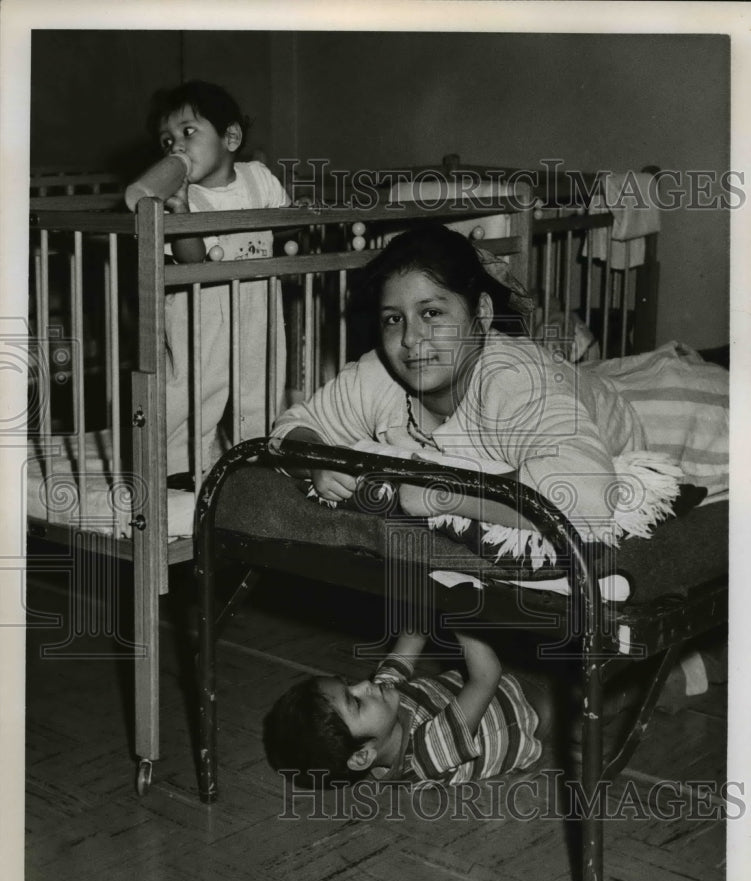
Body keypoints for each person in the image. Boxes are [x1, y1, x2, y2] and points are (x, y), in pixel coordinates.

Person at [270, 221, 728, 544]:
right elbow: (290, 428)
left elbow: (587, 495)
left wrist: (442, 493)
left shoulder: (509, 384)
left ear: (482, 315)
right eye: (394, 319)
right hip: (579, 385)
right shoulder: (380, 373)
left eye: (432, 313)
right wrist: (317, 459)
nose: (410, 339)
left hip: (674, 412)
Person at [145, 80, 290, 477]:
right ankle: (177, 466)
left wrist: (302, 230)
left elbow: (287, 221)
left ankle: (255, 455)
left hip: (257, 302)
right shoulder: (178, 199)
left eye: (188, 132)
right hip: (200, 310)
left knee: (260, 380)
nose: (176, 145)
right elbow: (192, 259)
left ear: (230, 137)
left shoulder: (258, 177)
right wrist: (180, 216)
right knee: (192, 387)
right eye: (166, 140)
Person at [264, 629, 552, 787]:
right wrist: (462, 614)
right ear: (363, 756)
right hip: (525, 716)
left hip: (492, 687)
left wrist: (430, 583)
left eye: (349, 684)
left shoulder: (381, 702)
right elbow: (486, 676)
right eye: (355, 701)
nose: (364, 685)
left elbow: (411, 639)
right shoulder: (426, 754)